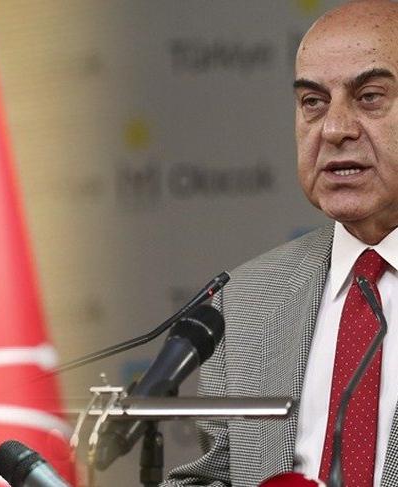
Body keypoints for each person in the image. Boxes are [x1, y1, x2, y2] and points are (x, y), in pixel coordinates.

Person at [163, 0, 398, 486]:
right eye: (313, 102)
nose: (334, 129)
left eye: (370, 97)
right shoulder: (245, 298)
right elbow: (212, 477)